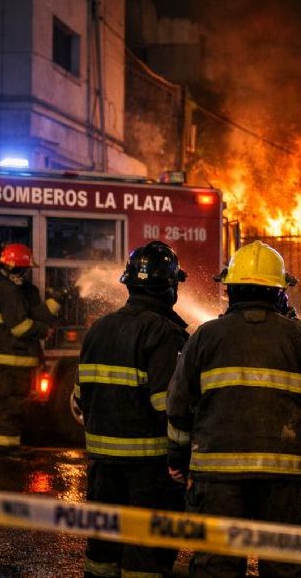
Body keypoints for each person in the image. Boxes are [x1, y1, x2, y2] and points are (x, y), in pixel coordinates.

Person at [166, 240, 301, 577]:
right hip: (285, 482)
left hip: (217, 482)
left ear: (229, 289)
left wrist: (177, 459)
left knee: (217, 569)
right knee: (285, 569)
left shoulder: (204, 337)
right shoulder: (299, 338)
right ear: (280, 293)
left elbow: (178, 405)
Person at [76, 241, 189, 578]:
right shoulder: (165, 333)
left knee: (102, 553)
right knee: (146, 558)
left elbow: (80, 399)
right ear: (170, 287)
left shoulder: (98, 329)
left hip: (101, 467)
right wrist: (180, 460)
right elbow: (168, 407)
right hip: (149, 473)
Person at [0, 243, 62, 458]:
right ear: (17, 268)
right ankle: (5, 447)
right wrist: (44, 331)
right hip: (12, 357)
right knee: (10, 403)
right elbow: (21, 326)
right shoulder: (10, 291)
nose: (27, 272)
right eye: (25, 268)